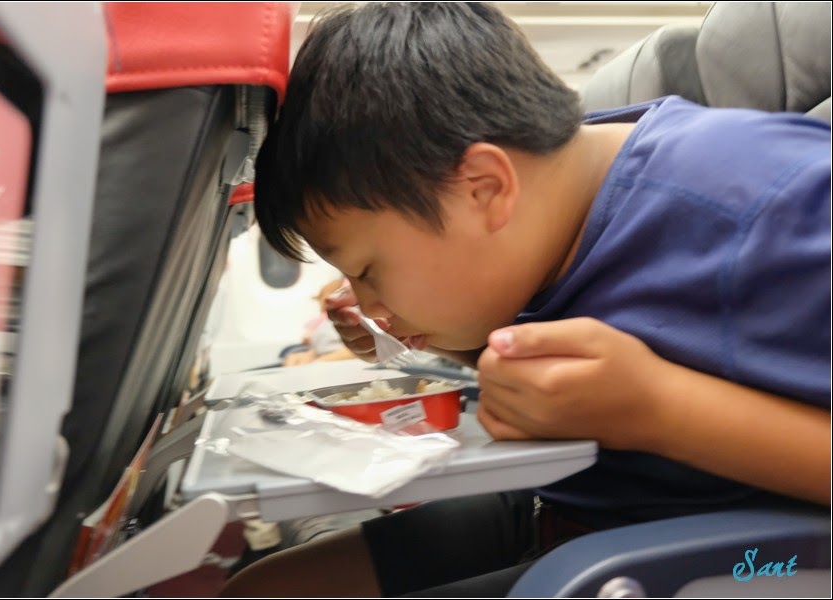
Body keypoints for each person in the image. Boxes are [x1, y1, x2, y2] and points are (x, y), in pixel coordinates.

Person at [222, 2, 831, 597]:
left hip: (735, 559)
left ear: (485, 189)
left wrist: (660, 409)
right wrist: (434, 343)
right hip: (569, 512)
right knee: (265, 588)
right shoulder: (547, 214)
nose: (368, 303)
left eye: (368, 270)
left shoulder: (770, 205)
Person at [281, 276, 356, 366]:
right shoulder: (327, 320)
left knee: (288, 351)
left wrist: (316, 362)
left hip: (329, 358)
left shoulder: (350, 315)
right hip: (319, 351)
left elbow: (354, 350)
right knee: (287, 353)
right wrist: (310, 355)